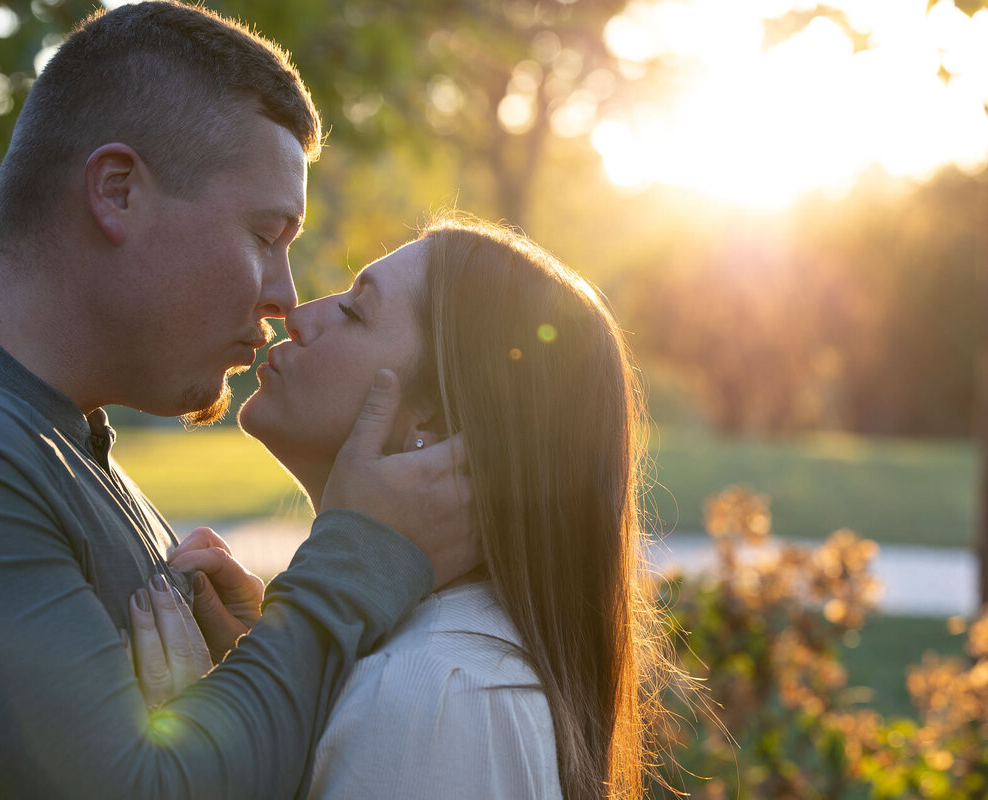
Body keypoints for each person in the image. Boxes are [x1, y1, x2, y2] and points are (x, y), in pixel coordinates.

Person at [0, 3, 476, 797]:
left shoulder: (49, 438)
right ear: (117, 191)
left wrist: (250, 670)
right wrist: (356, 562)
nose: (282, 296)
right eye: (265, 235)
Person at [143, 214, 673, 799]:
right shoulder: (427, 670)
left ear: (434, 427)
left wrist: (194, 766)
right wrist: (264, 688)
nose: (296, 316)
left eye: (353, 311)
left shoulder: (434, 696)